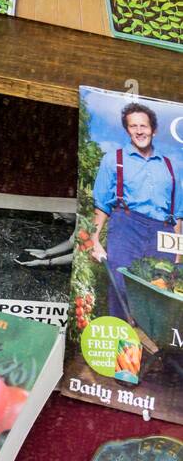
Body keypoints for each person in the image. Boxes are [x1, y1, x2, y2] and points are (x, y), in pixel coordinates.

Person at [90, 101, 181, 320]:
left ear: (154, 129)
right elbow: (101, 205)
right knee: (121, 285)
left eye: (144, 126)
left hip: (163, 232)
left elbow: (178, 213)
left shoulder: (171, 166)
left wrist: (179, 251)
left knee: (160, 291)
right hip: (126, 226)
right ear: (127, 130)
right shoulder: (113, 160)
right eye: (133, 126)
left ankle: (155, 350)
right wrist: (94, 239)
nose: (139, 131)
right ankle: (121, 346)